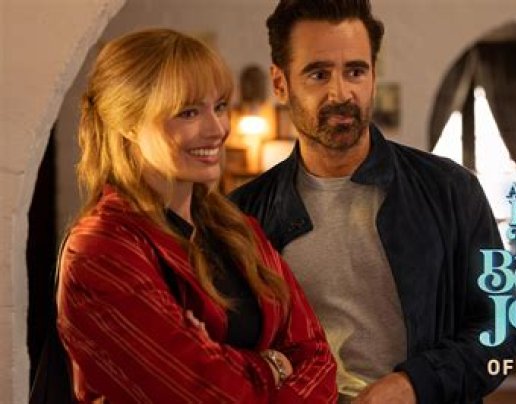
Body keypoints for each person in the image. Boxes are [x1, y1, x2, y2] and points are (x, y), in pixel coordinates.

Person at [229, 1, 516, 403]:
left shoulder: (451, 190)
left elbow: (504, 326)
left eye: (355, 71)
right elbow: (227, 351)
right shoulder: (241, 215)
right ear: (280, 84)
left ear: (373, 75)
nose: (341, 93)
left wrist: (415, 384)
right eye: (318, 74)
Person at [57, 28, 336, 403]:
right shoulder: (100, 249)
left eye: (219, 107)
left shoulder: (240, 230)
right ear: (128, 125)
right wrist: (272, 365)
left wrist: (224, 360)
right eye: (188, 113)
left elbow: (317, 358)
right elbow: (205, 394)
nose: (217, 129)